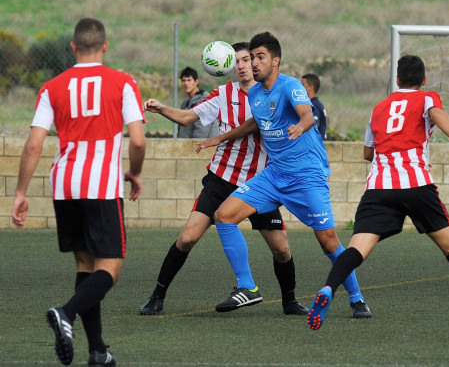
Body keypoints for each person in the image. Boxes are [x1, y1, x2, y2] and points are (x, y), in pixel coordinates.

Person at [307, 55, 449, 336]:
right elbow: (437, 114)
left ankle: (329, 287)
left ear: (397, 80)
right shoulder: (426, 99)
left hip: (378, 188)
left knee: (356, 249)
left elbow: (368, 153)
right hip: (416, 185)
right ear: (423, 81)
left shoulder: (378, 108)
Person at [197, 32, 371, 318]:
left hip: (307, 176)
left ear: (275, 61)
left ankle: (357, 298)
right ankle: (248, 287)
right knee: (224, 215)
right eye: (251, 57)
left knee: (328, 240)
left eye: (260, 57)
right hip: (274, 175)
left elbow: (307, 113)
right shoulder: (254, 93)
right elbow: (256, 122)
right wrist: (220, 138)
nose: (253, 62)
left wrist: (301, 126)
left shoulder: (291, 86)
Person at [11, 18, 146, 366]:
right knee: (110, 268)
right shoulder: (123, 82)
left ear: (72, 48)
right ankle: (65, 313)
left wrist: (20, 193)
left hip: (65, 184)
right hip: (101, 184)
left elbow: (34, 144)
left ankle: (98, 351)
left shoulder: (52, 86)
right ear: (104, 46)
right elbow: (138, 139)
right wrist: (135, 172)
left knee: (86, 265)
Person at [140, 42, 308, 316]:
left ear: (256, 64)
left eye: (247, 60)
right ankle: (156, 296)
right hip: (221, 178)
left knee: (282, 250)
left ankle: (289, 302)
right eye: (237, 61)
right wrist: (161, 108)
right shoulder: (223, 94)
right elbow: (186, 118)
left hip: (259, 183)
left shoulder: (272, 94)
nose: (242, 66)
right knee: (187, 238)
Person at [177, 66, 219, 138]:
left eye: (189, 80)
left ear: (196, 81)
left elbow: (202, 130)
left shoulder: (204, 100)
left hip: (202, 146)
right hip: (186, 145)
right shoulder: (184, 103)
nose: (186, 83)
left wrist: (194, 147)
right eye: (183, 80)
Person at [302, 73, 327, 140]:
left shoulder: (313, 105)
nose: (300, 88)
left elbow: (314, 125)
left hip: (315, 146)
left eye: (302, 85)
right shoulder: (316, 103)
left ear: (311, 87)